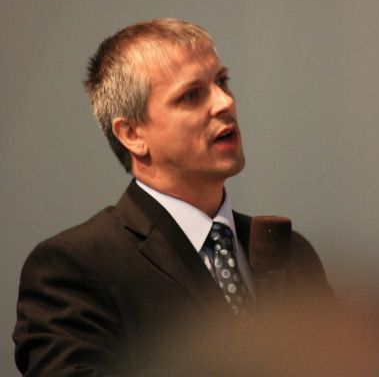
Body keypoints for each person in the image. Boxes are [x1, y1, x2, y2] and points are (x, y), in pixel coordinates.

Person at [13, 18, 333, 376]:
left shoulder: (293, 256)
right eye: (192, 95)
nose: (225, 102)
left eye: (222, 81)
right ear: (132, 134)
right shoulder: (74, 266)